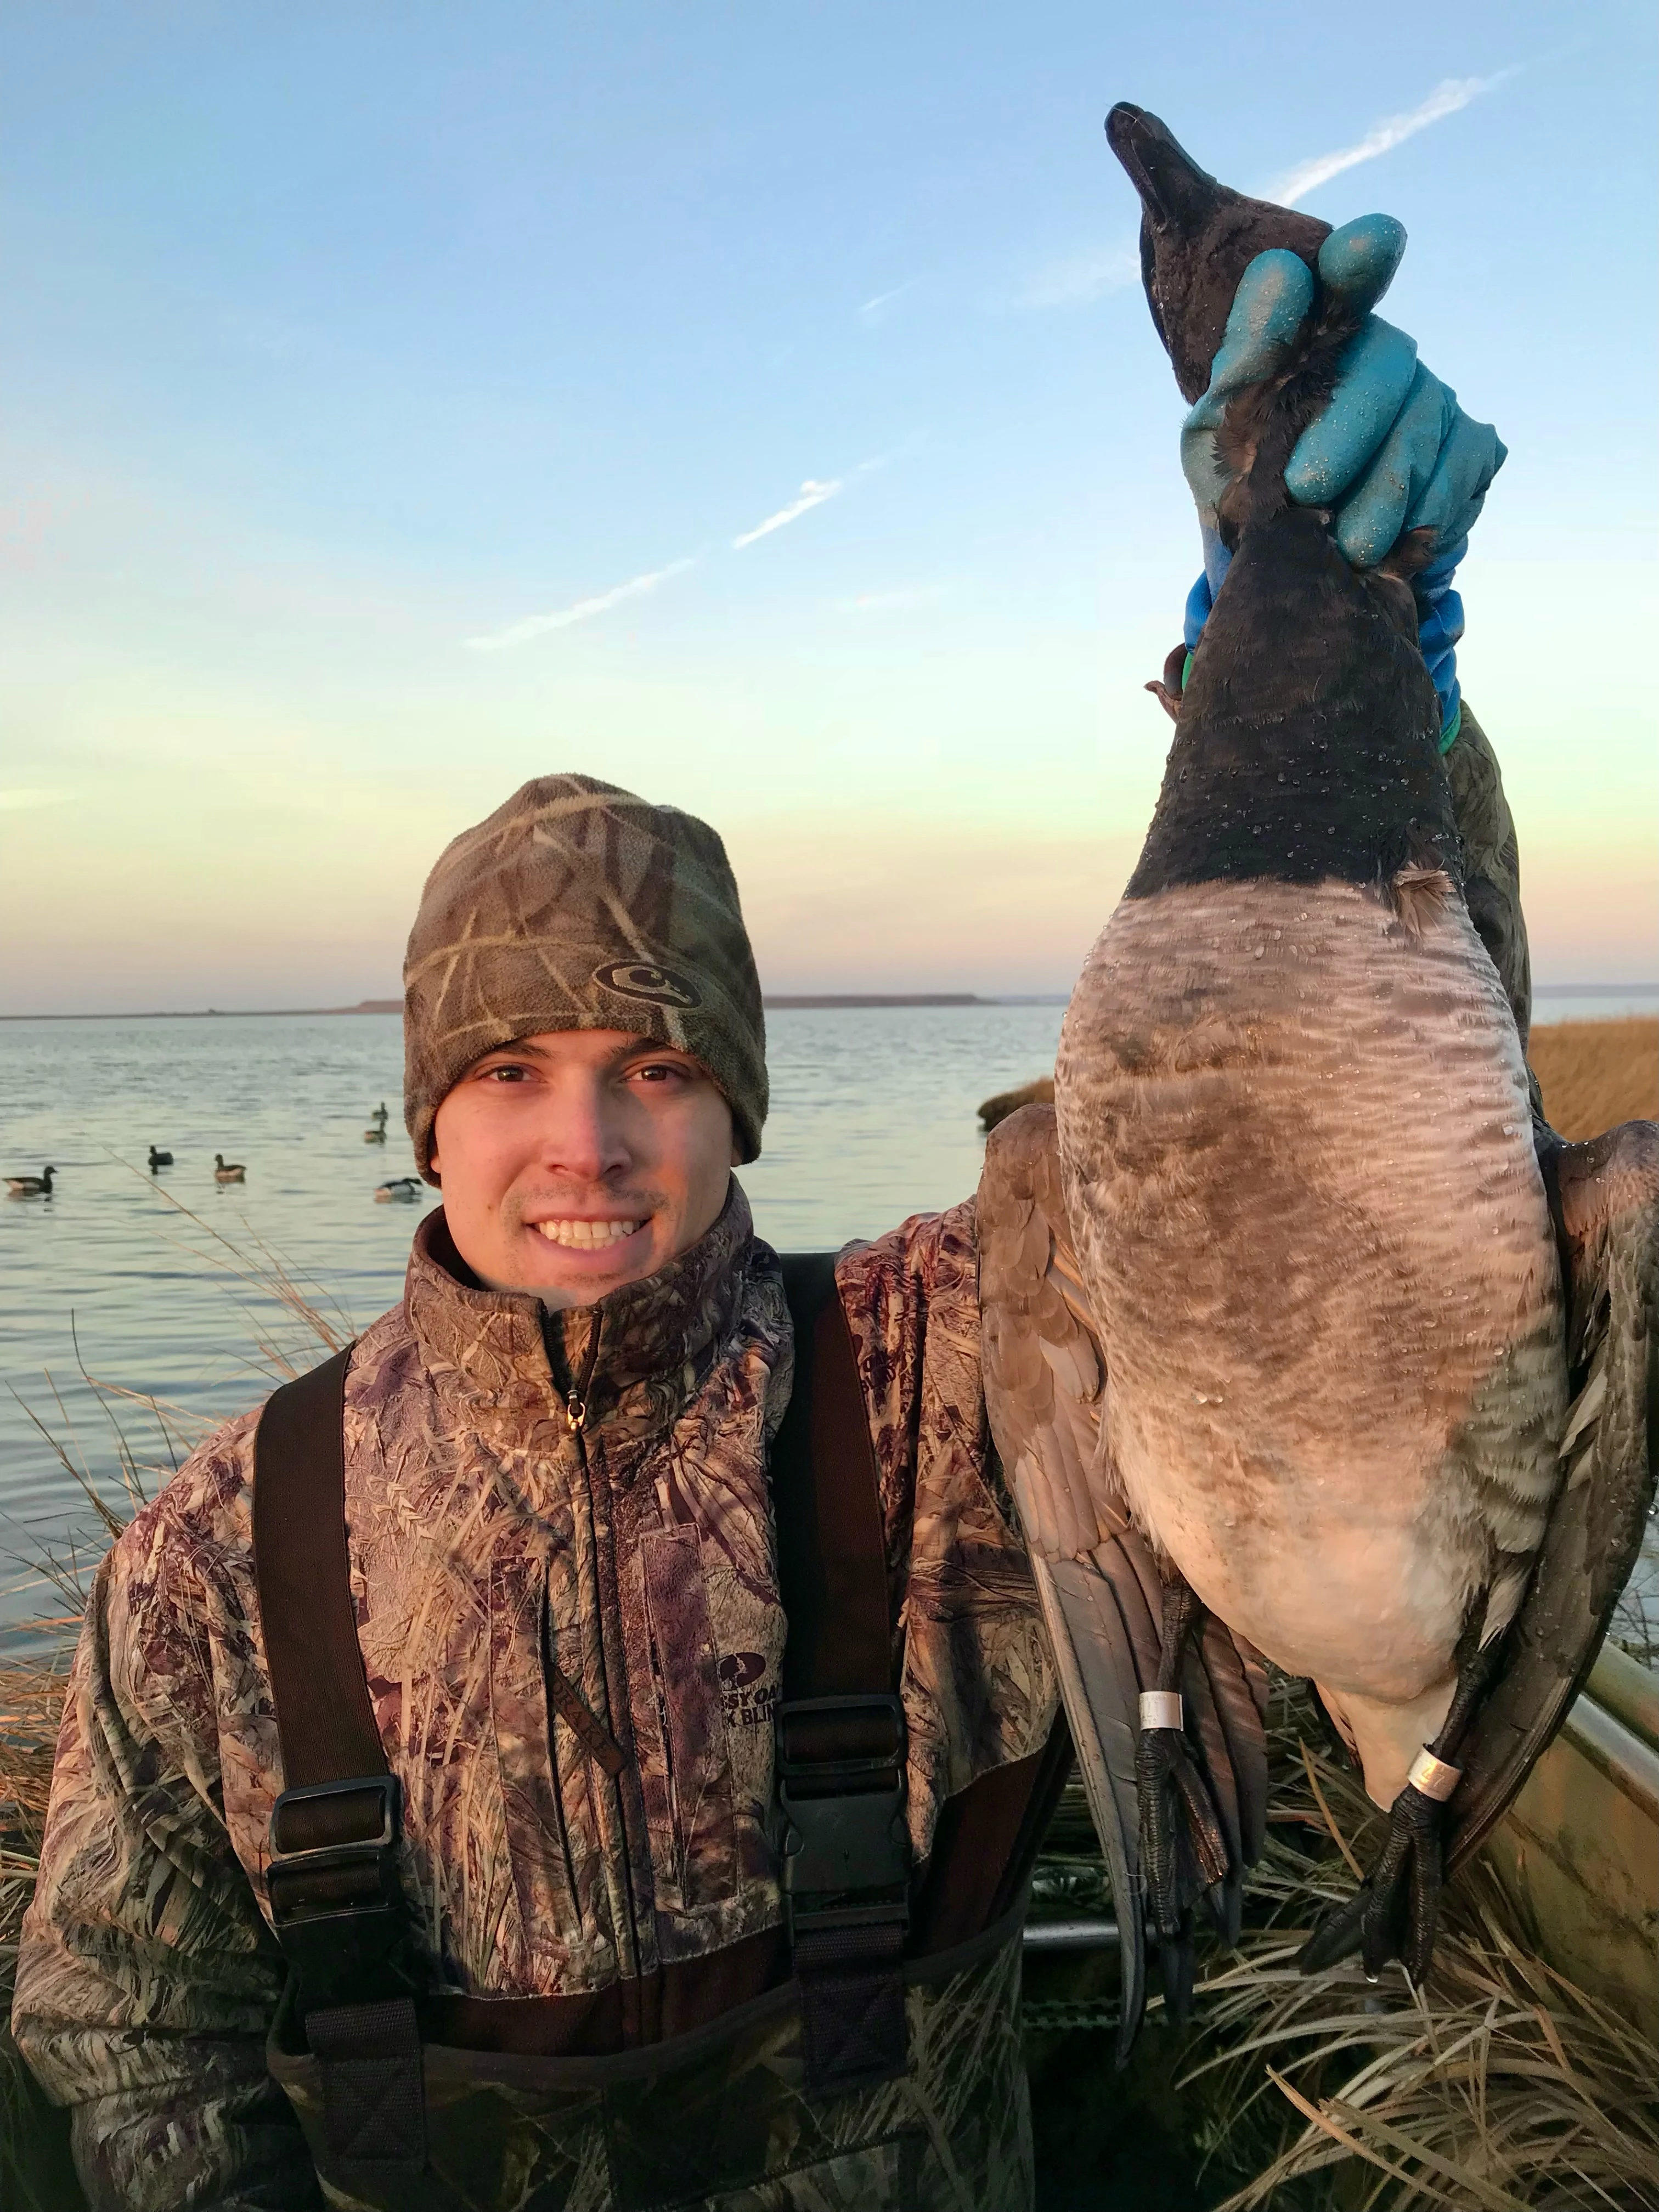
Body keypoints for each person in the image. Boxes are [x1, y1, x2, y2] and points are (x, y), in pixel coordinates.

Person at [13, 242, 1533, 2211]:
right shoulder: (222, 1557)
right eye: (509, 1075)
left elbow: (1351, 1193)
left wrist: (1330, 692)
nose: (584, 1143)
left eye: (653, 1067)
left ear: (736, 1094)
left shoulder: (971, 1370)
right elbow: (128, 2040)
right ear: (427, 1115)